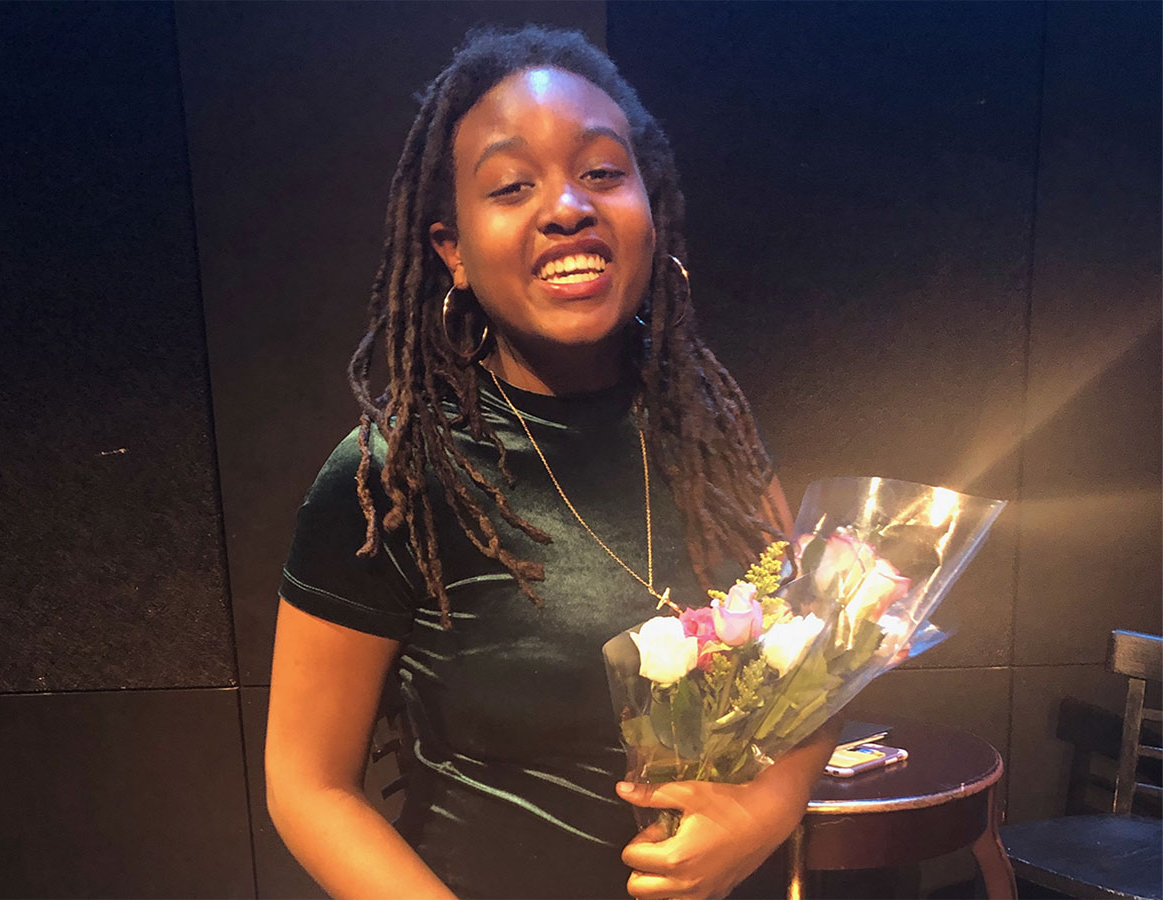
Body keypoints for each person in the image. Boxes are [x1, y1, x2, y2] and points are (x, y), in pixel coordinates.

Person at [265, 25, 836, 900]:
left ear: (652, 207)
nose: (567, 206)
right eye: (512, 185)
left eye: (603, 171)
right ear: (451, 250)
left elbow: (811, 681)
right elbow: (309, 786)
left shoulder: (713, 435)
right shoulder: (393, 476)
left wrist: (763, 816)